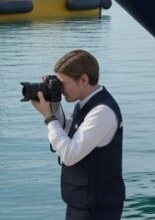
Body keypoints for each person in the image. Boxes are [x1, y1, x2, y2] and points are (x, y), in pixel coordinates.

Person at [32, 50, 125, 219]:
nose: (61, 89)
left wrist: (48, 118)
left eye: (63, 83)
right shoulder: (85, 105)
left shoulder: (101, 111)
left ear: (84, 79)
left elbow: (69, 154)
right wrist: (53, 104)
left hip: (97, 208)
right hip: (83, 203)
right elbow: (64, 136)